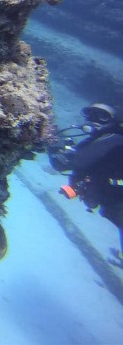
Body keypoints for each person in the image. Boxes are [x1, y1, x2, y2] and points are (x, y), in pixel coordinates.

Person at [48, 103, 123, 268]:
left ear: (113, 121)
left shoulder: (113, 138)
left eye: (103, 116)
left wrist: (51, 140)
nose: (94, 120)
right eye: (90, 113)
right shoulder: (99, 140)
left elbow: (71, 162)